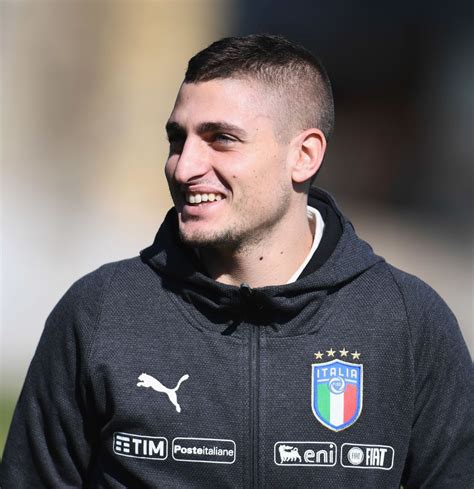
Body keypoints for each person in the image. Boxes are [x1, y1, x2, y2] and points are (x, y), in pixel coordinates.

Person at [1, 34, 473, 489]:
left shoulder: (407, 321)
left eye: (221, 139)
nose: (184, 167)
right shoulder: (100, 313)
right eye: (176, 139)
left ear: (304, 156)